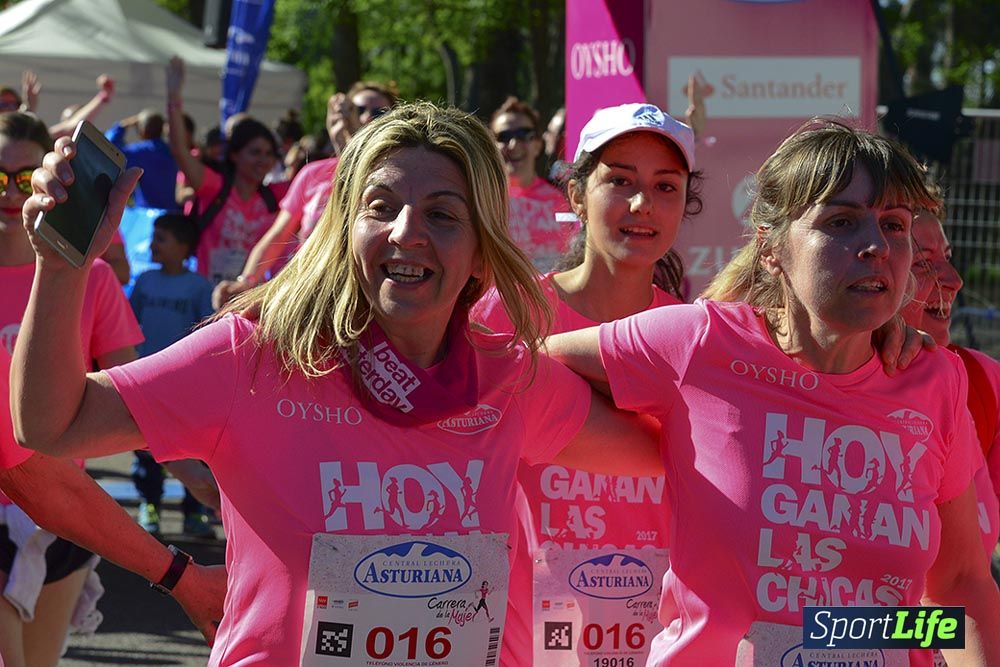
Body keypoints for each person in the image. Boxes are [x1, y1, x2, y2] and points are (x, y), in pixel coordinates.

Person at [14, 102, 663, 666]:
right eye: (381, 207)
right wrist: (62, 265)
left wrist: (709, 350)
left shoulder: (512, 378)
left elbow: (666, 451)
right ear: (343, 225)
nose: (407, 232)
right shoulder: (257, 356)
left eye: (443, 215)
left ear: (481, 250)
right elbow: (54, 422)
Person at [545, 119, 1000, 665]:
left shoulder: (933, 378)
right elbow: (529, 369)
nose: (875, 245)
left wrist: (847, 631)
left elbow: (956, 587)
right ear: (771, 248)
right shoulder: (702, 342)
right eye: (842, 221)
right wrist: (659, 448)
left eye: (894, 225)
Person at [474, 102, 700, 667]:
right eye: (619, 181)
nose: (642, 204)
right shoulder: (511, 312)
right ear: (576, 195)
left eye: (665, 187)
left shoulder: (689, 335)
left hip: (653, 636)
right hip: (517, 634)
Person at [0, 111, 223, 665]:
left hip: (69, 514)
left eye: (25, 178)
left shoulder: (84, 273)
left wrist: (191, 471)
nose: (9, 192)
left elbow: (133, 395)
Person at [212, 82, 400, 308]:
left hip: (357, 302)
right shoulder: (313, 173)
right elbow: (277, 235)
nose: (367, 117)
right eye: (357, 110)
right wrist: (246, 282)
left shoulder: (397, 177)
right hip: (301, 296)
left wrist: (348, 148)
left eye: (379, 112)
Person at [899, 206, 1000, 580]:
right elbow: (826, 624)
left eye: (947, 258)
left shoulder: (982, 381)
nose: (955, 280)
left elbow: (965, 586)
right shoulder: (818, 385)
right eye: (923, 263)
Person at [128, 213, 217, 537]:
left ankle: (194, 513)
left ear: (184, 247)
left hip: (184, 384)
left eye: (161, 239)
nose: (152, 245)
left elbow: (208, 331)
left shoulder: (198, 286)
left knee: (191, 448)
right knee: (145, 446)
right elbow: (128, 323)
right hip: (146, 380)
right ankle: (148, 503)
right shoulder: (144, 281)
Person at [165, 57, 289, 286]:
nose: (263, 160)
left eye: (269, 154)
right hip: (205, 298)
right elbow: (180, 151)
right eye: (255, 152)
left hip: (247, 302)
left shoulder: (277, 195)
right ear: (234, 155)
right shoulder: (214, 186)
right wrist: (174, 99)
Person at [490, 96, 573, 272]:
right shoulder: (482, 203)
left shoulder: (564, 200)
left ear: (537, 145)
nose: (513, 144)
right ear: (492, 146)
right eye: (503, 136)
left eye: (523, 135)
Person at [105, 108, 179, 210]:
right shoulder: (171, 151)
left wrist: (124, 124)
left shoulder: (140, 152)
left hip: (148, 213)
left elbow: (110, 148)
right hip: (171, 211)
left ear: (143, 130)